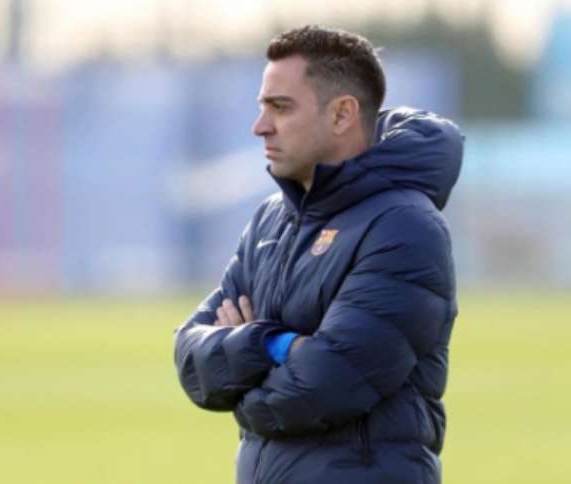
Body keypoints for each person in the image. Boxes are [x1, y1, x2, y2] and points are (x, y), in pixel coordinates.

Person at [173, 25, 464, 484]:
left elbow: (324, 385)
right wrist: (278, 345)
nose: (260, 126)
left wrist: (248, 353)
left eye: (281, 107)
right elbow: (192, 360)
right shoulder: (272, 219)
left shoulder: (404, 225)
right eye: (262, 107)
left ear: (342, 114)